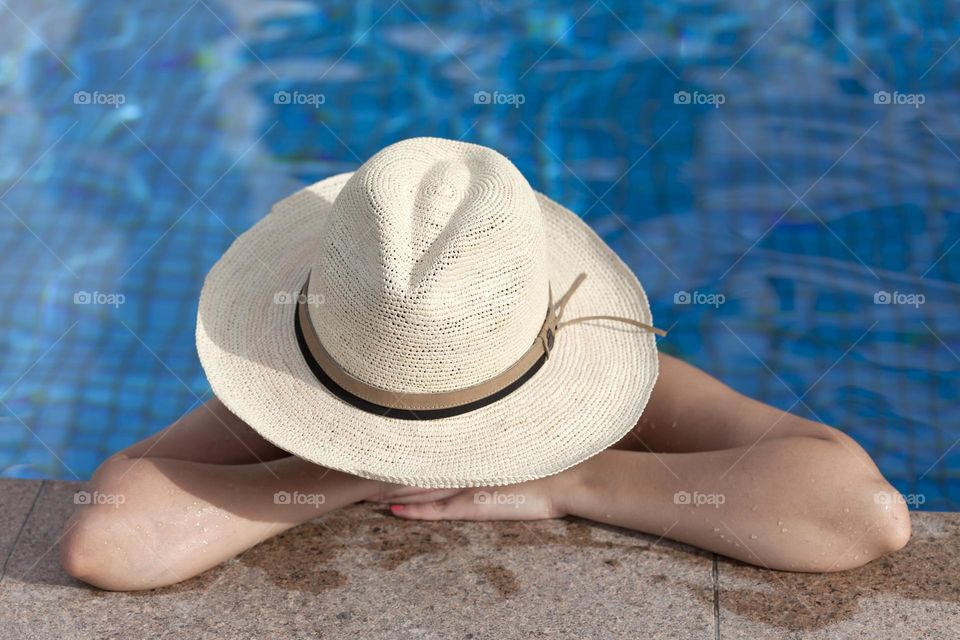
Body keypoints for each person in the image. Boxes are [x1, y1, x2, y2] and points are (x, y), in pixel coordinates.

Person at [59, 138, 910, 591]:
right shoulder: (308, 387)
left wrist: (571, 482)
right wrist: (349, 471)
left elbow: (864, 514)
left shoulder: (618, 389)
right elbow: (108, 545)